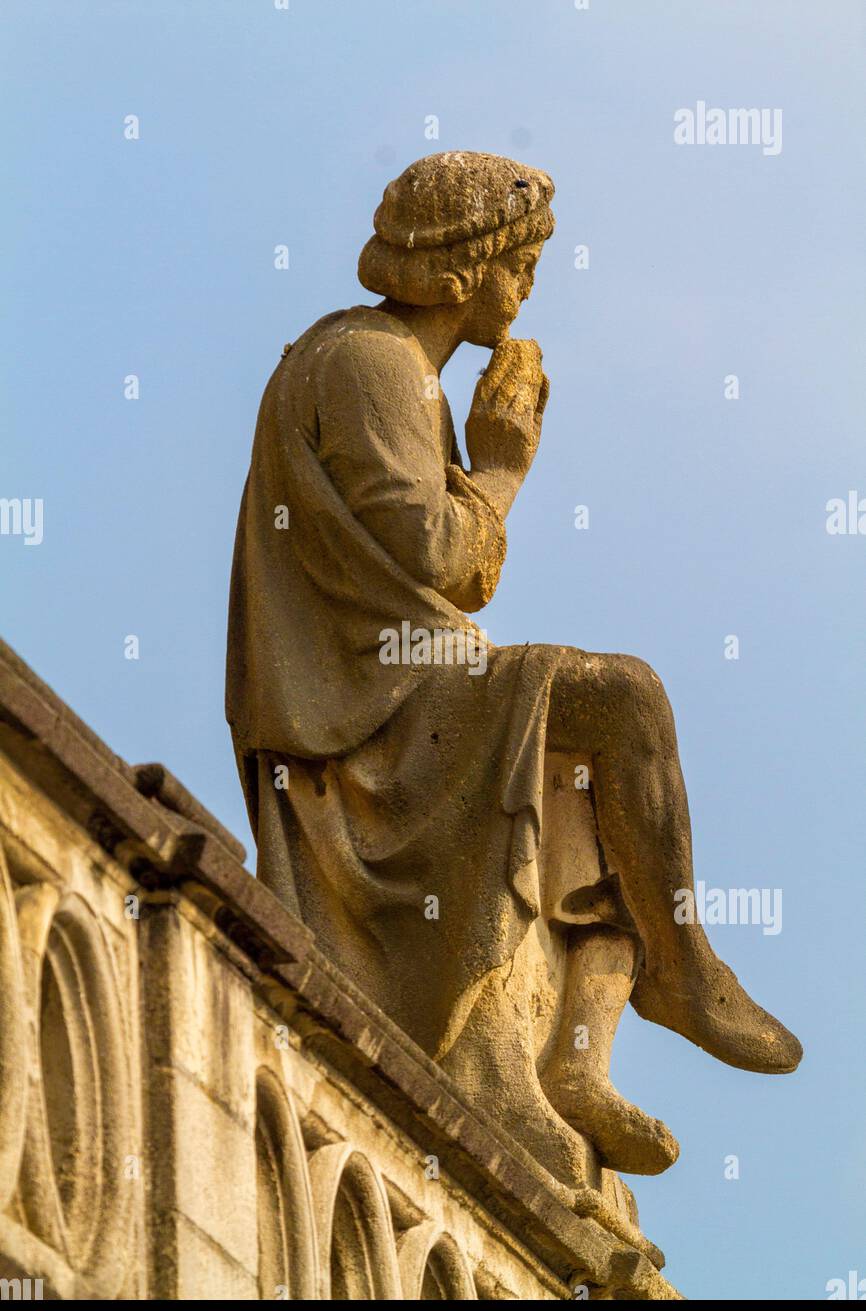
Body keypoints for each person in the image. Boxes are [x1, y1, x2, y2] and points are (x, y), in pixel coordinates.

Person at [226, 151, 800, 1184]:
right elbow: (438, 557)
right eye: (519, 263)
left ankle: (579, 1059)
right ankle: (683, 968)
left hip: (409, 688)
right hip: (363, 716)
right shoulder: (367, 361)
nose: (525, 286)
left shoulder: (396, 368)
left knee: (595, 792)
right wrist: (500, 462)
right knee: (622, 698)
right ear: (462, 267)